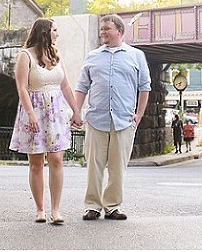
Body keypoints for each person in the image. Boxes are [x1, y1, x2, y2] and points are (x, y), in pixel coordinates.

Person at [75, 14, 151, 221]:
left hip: (124, 121)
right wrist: (76, 111)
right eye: (101, 29)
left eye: (107, 28)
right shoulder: (93, 56)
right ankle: (92, 205)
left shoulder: (136, 56)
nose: (102, 32)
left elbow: (145, 87)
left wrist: (140, 115)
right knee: (94, 166)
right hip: (96, 119)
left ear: (120, 31)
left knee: (118, 168)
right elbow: (82, 87)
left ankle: (112, 206)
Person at [9, 18, 82, 225]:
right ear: (44, 32)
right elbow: (22, 88)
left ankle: (55, 210)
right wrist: (31, 114)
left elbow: (66, 86)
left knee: (57, 159)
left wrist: (75, 111)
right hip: (34, 111)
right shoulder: (26, 56)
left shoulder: (56, 55)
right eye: (55, 30)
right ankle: (40, 209)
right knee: (36, 163)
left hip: (56, 112)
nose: (57, 34)